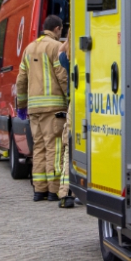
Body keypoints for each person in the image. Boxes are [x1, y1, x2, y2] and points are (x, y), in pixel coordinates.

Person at [16, 15, 69, 202]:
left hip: (34, 109)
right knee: (54, 147)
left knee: (38, 148)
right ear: (57, 29)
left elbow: (21, 80)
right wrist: (70, 98)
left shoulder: (29, 49)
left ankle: (39, 190)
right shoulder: (55, 47)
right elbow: (62, 76)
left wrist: (22, 105)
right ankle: (54, 191)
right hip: (53, 107)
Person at [57, 35, 75, 209]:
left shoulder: (67, 57)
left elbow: (60, 51)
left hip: (74, 105)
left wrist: (68, 40)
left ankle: (65, 192)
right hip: (91, 106)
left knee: (69, 148)